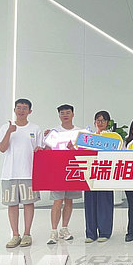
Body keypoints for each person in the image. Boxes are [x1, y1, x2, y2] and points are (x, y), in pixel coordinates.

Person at [0, 98, 43, 248]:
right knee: (12, 205)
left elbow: (40, 149)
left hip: (28, 172)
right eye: (19, 108)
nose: (21, 110)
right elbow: (2, 148)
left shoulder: (35, 128)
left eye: (24, 108)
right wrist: (9, 131)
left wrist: (40, 150)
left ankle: (27, 234)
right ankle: (15, 235)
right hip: (9, 173)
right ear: (14, 109)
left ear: (30, 111)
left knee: (29, 203)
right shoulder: (6, 127)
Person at [45, 104, 82, 244]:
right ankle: (53, 230)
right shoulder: (54, 132)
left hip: (73, 170)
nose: (65, 115)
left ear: (73, 114)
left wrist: (73, 149)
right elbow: (47, 150)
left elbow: (83, 152)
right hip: (58, 171)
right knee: (57, 200)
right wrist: (44, 142)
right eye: (62, 113)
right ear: (59, 115)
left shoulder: (79, 132)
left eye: (68, 112)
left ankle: (64, 228)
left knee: (69, 200)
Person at [84, 111, 114, 243]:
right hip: (90, 174)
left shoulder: (113, 138)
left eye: (103, 120)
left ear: (108, 122)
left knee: (104, 203)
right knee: (90, 203)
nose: (100, 123)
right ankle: (90, 233)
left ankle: (104, 232)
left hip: (105, 173)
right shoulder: (88, 137)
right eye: (98, 120)